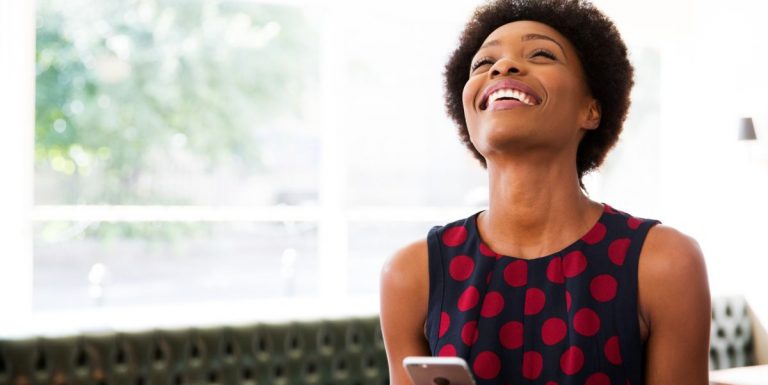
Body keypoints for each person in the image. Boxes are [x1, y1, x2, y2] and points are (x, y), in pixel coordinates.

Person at [379, 0, 711, 384]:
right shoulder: (411, 275)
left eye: (541, 54)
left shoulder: (664, 264)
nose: (503, 67)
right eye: (483, 64)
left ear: (591, 110)